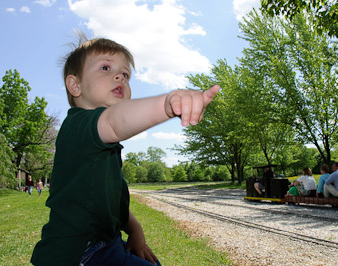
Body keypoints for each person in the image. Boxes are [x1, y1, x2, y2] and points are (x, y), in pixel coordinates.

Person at [31, 36, 219, 266]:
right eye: (105, 68)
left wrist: (136, 229)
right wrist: (167, 104)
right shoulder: (77, 127)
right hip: (76, 253)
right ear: (75, 85)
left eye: (125, 74)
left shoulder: (108, 148)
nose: (119, 76)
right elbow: (114, 122)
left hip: (106, 243)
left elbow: (114, 202)